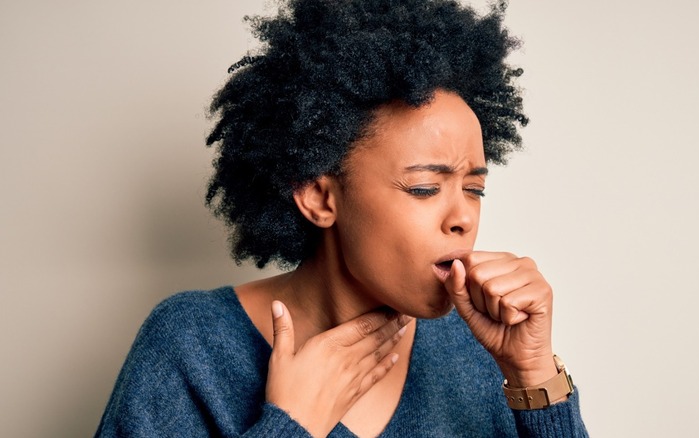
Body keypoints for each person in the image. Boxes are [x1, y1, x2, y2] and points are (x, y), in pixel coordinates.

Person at [96, 0, 588, 436]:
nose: (463, 217)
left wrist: (534, 377)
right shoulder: (192, 346)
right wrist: (292, 425)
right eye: (424, 188)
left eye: (475, 189)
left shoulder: (480, 350)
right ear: (319, 196)